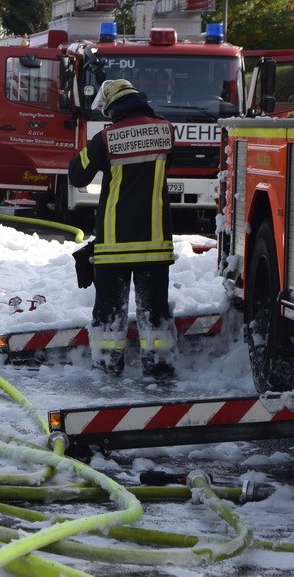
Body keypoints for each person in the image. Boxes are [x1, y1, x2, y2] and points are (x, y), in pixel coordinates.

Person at [68, 78, 176, 376]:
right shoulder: (166, 131)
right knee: (154, 314)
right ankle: (159, 368)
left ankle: (106, 367)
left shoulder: (106, 138)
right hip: (155, 243)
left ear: (112, 107)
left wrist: (89, 149)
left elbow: (77, 176)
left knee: (109, 315)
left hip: (113, 244)